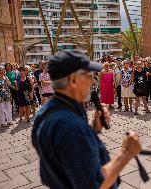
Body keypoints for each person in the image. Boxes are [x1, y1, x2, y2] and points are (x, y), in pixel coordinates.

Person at [32, 51, 141, 189]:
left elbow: (65, 153)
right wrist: (126, 153)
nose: (92, 80)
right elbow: (95, 184)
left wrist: (93, 130)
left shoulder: (45, 112)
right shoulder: (72, 127)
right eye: (88, 75)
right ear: (73, 80)